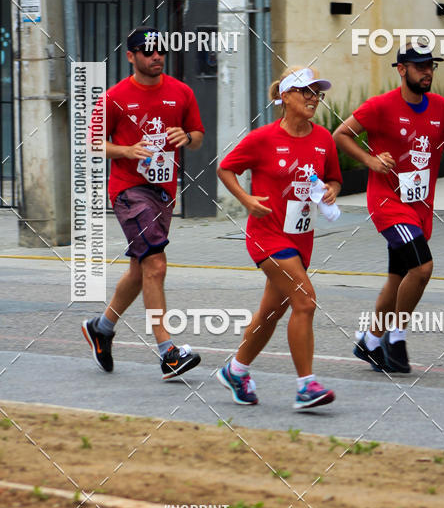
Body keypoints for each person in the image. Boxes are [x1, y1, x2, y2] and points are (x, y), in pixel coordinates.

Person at [333, 45, 444, 374]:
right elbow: (341, 134)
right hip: (388, 204)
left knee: (399, 280)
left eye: (431, 66)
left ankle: (370, 341)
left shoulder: (440, 107)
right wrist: (371, 160)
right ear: (401, 69)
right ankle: (396, 336)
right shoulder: (381, 106)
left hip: (419, 206)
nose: (428, 72)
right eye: (420, 67)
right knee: (422, 269)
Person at [82, 26, 205, 380]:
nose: (156, 57)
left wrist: (187, 136)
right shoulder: (114, 97)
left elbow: (197, 137)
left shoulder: (181, 92)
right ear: (131, 56)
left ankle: (101, 328)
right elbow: (92, 142)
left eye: (160, 51)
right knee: (156, 264)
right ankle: (167, 351)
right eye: (147, 51)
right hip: (128, 189)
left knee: (140, 269)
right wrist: (125, 150)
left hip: (164, 191)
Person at [216, 66, 343, 410]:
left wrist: (330, 191)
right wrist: (246, 200)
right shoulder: (263, 139)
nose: (313, 98)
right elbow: (225, 167)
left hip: (302, 239)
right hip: (267, 236)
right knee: (305, 300)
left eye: (317, 92)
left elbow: (333, 179)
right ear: (285, 96)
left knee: (271, 313)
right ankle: (306, 386)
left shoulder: (324, 139)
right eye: (306, 91)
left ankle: (236, 370)